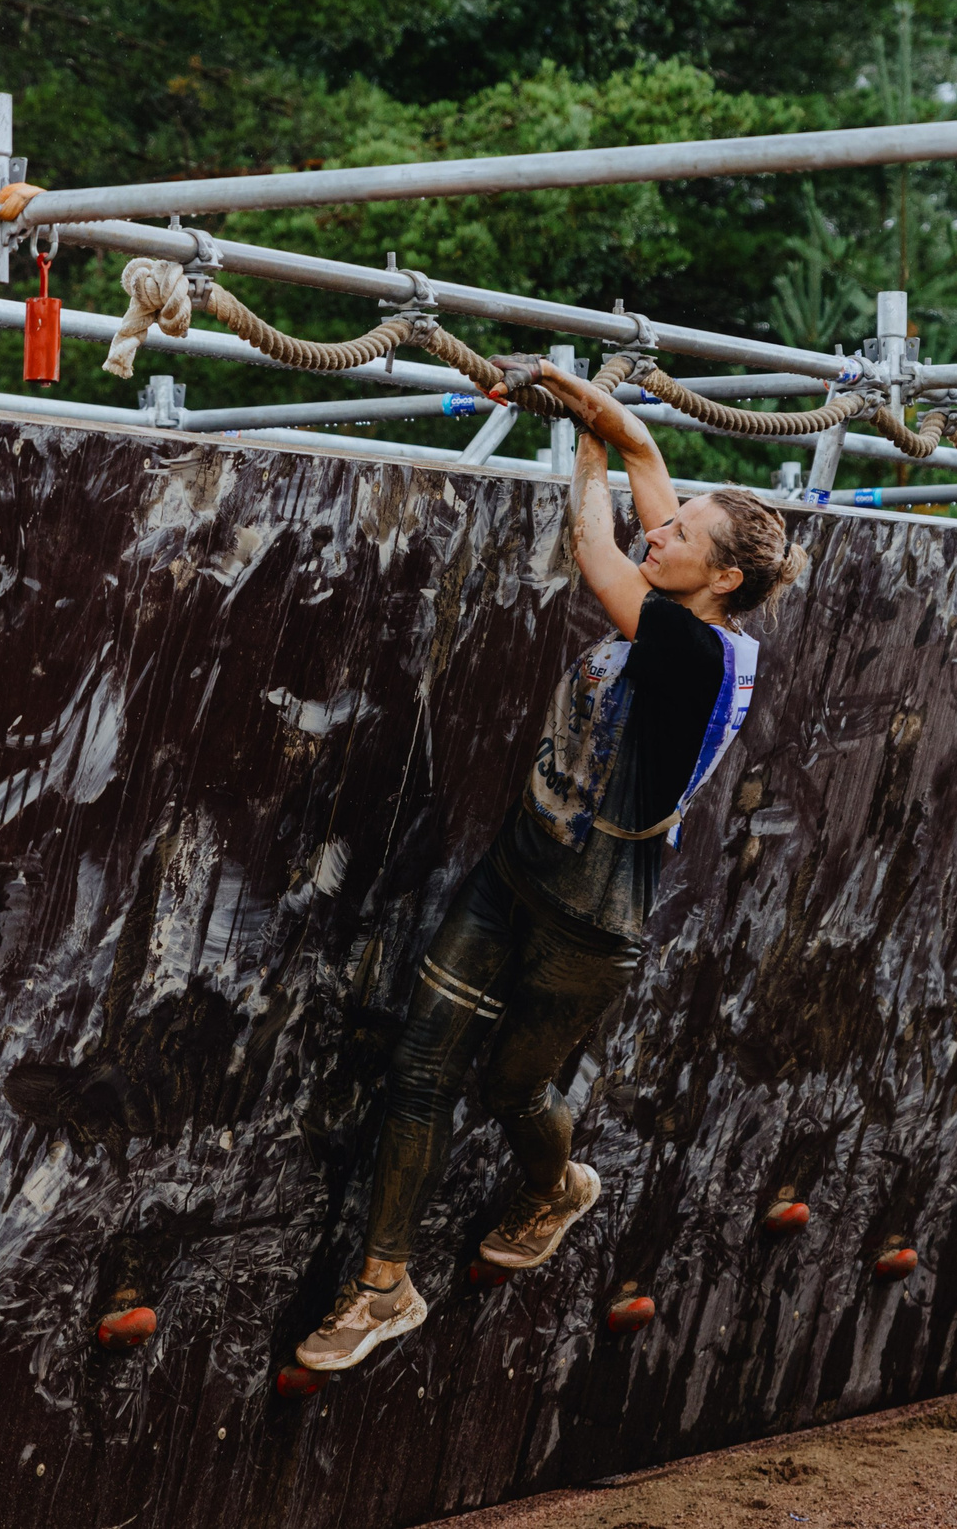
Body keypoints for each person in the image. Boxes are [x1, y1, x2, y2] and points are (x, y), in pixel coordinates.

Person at [293, 355, 805, 1372]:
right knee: (417, 1071)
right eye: (670, 523)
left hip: (591, 917)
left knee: (511, 1091)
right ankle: (380, 1288)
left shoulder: (687, 651)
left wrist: (578, 436)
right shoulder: (701, 596)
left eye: (680, 535)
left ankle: (556, 1187)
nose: (661, 532)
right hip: (515, 869)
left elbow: (593, 539)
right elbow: (650, 459)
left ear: (722, 578)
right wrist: (591, 395)